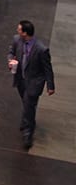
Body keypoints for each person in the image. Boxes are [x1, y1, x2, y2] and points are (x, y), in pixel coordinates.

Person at [7, 20, 55, 149]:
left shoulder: (41, 49)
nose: (17, 31)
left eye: (19, 29)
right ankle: (27, 119)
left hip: (34, 82)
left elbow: (47, 68)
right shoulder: (17, 40)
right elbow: (11, 51)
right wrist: (10, 60)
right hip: (21, 80)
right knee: (27, 103)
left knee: (29, 104)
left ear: (25, 33)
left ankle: (28, 132)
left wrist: (50, 85)